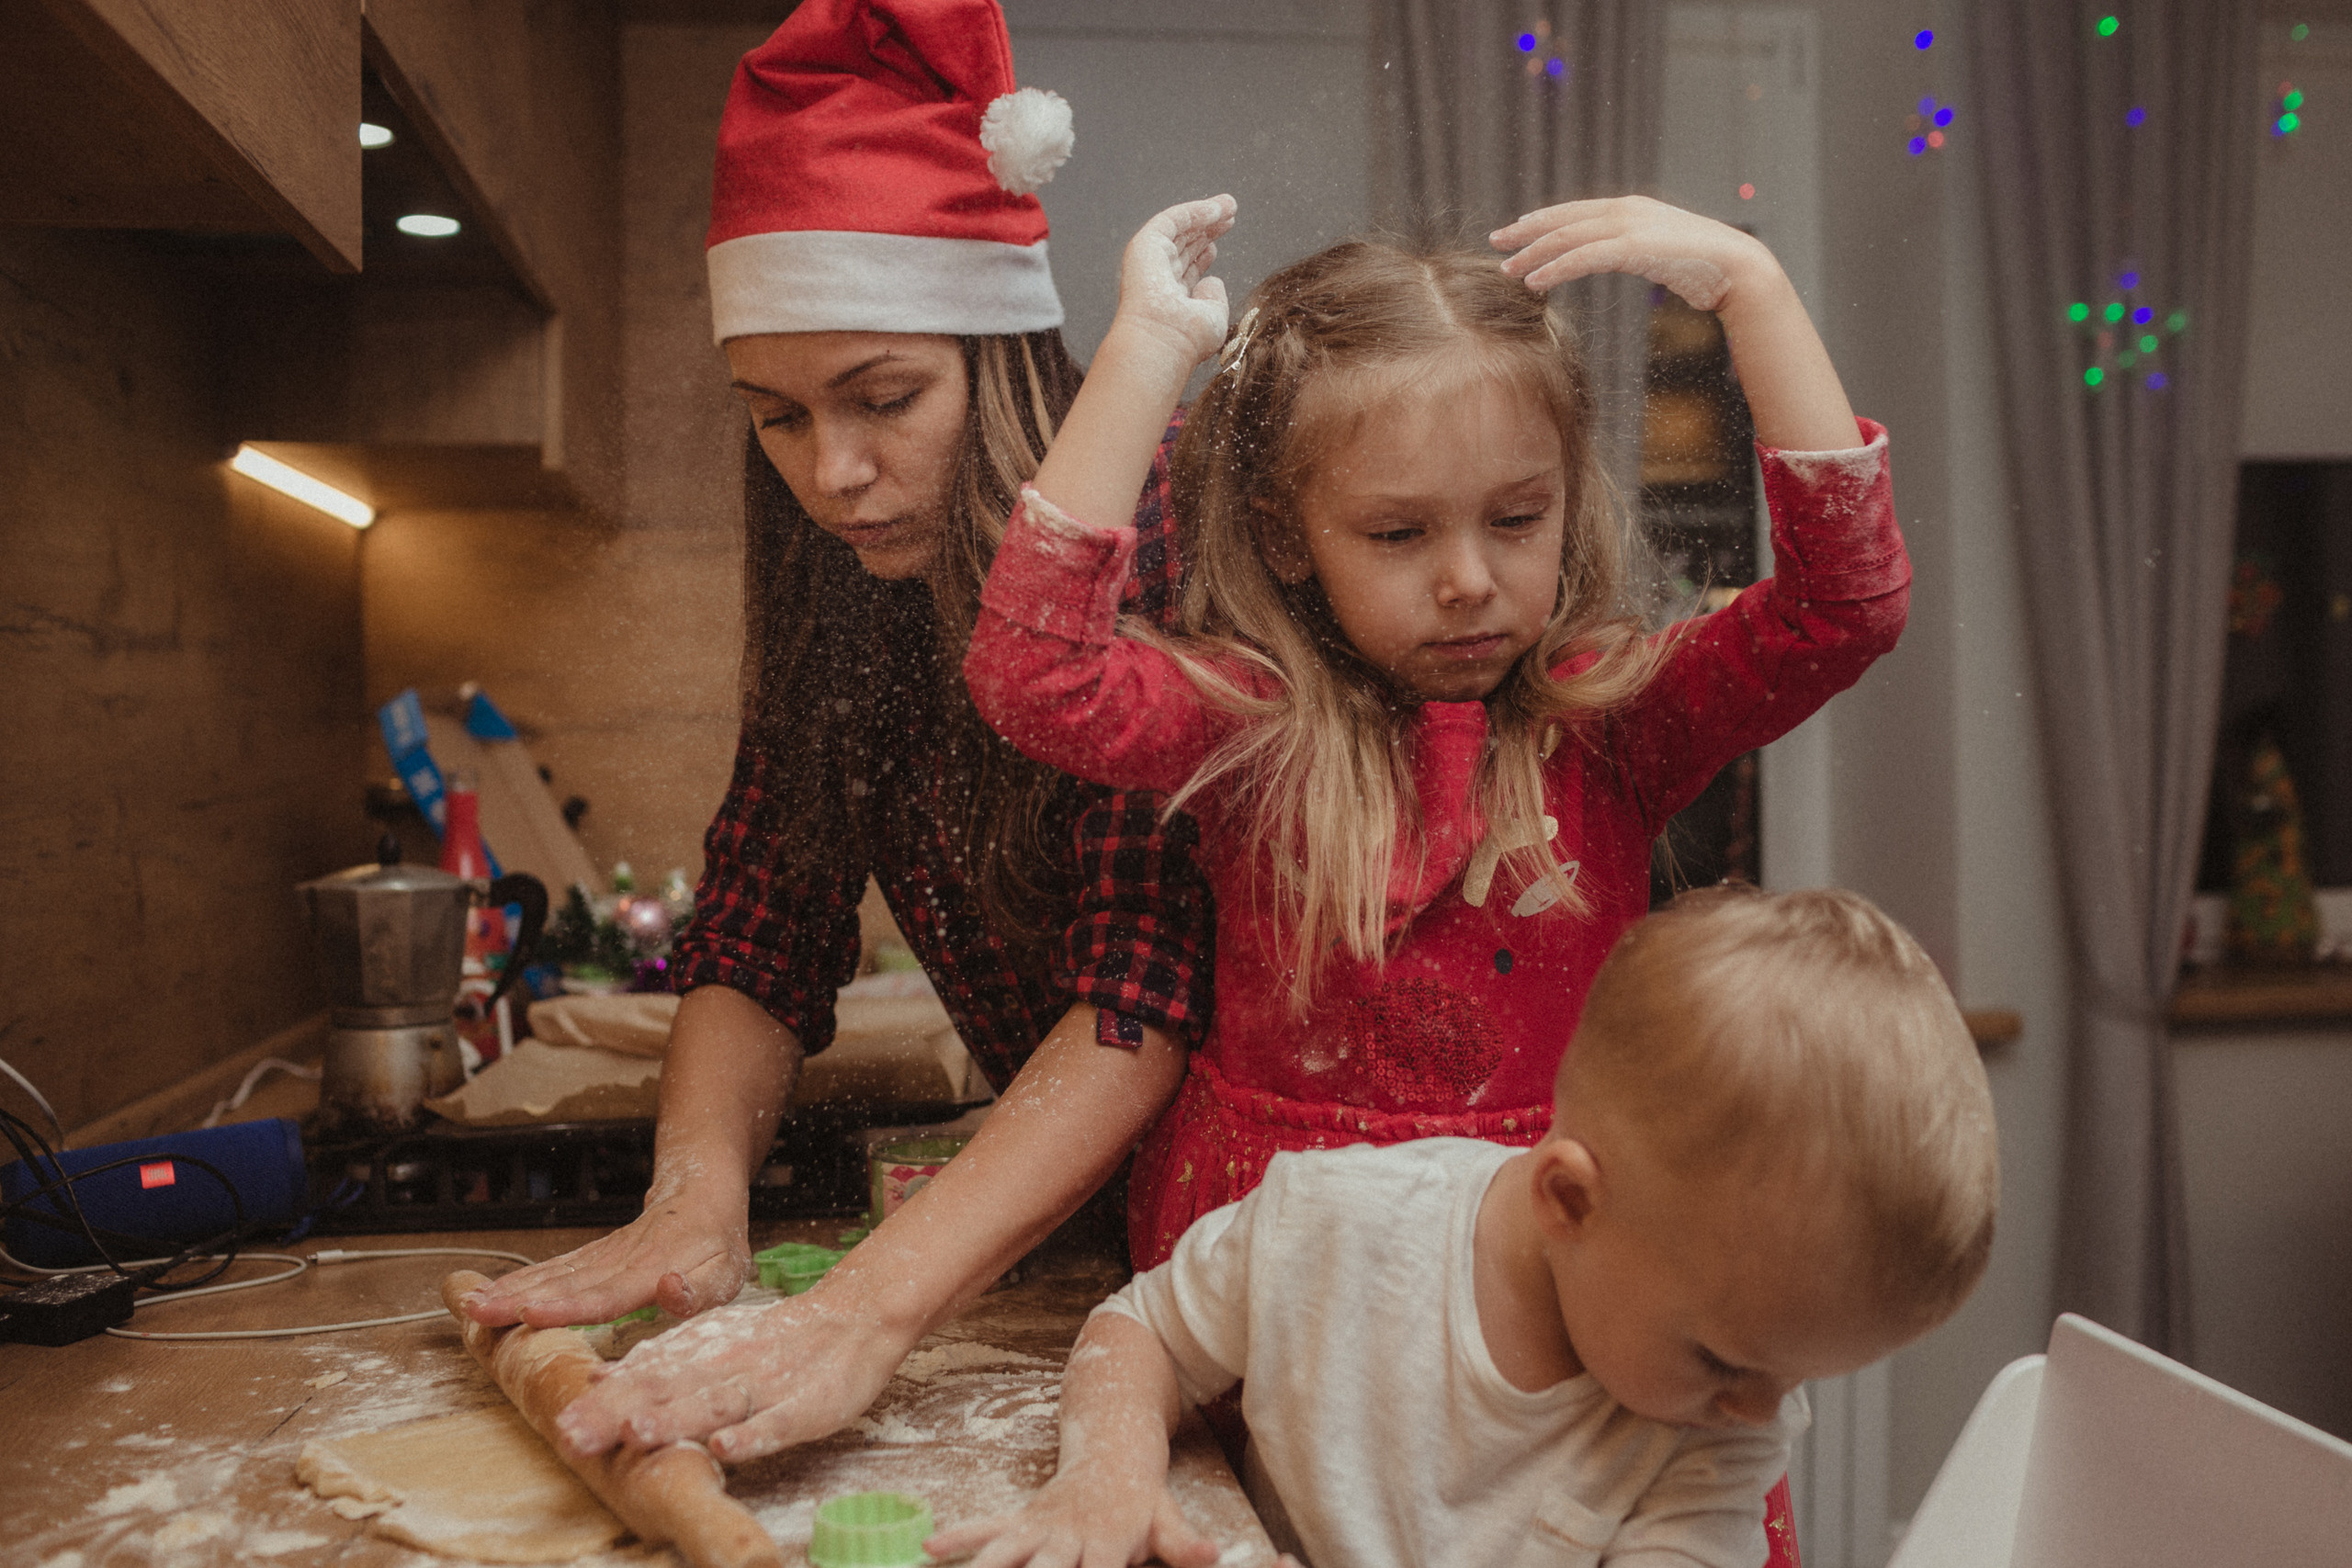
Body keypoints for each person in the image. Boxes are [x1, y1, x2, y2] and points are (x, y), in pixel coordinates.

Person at [462, 0, 1218, 1470]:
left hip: (1264, 1220)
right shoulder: (850, 592)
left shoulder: (1151, 539)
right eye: (777, 418)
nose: (836, 472)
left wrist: (863, 1312)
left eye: (885, 398)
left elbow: (1148, 985)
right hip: (1110, 1265)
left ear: (999, 359)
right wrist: (696, 1192)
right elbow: (762, 916)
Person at [964, 193, 1911, 1268]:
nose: (1468, 581)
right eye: (1398, 532)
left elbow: (1845, 607)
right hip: (1283, 1266)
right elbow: (1030, 674)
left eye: (1516, 519)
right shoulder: (1254, 725)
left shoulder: (1614, 721)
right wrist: (1145, 353)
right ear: (1285, 535)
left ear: (1565, 497)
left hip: (1545, 1264)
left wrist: (1757, 294)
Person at [928, 886, 2001, 1568]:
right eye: (1725, 1359)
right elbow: (1142, 1330)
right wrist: (1109, 1473)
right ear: (1569, 1200)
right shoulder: (1336, 1227)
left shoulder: (1715, 1436)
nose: (1763, 1411)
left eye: (1793, 1376)